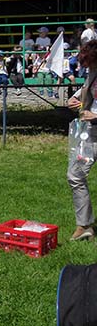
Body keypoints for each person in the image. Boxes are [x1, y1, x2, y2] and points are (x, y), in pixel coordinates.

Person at [67, 40, 97, 241]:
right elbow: (87, 89)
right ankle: (84, 225)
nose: (88, 68)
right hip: (91, 132)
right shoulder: (93, 73)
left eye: (91, 64)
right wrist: (75, 99)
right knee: (75, 175)